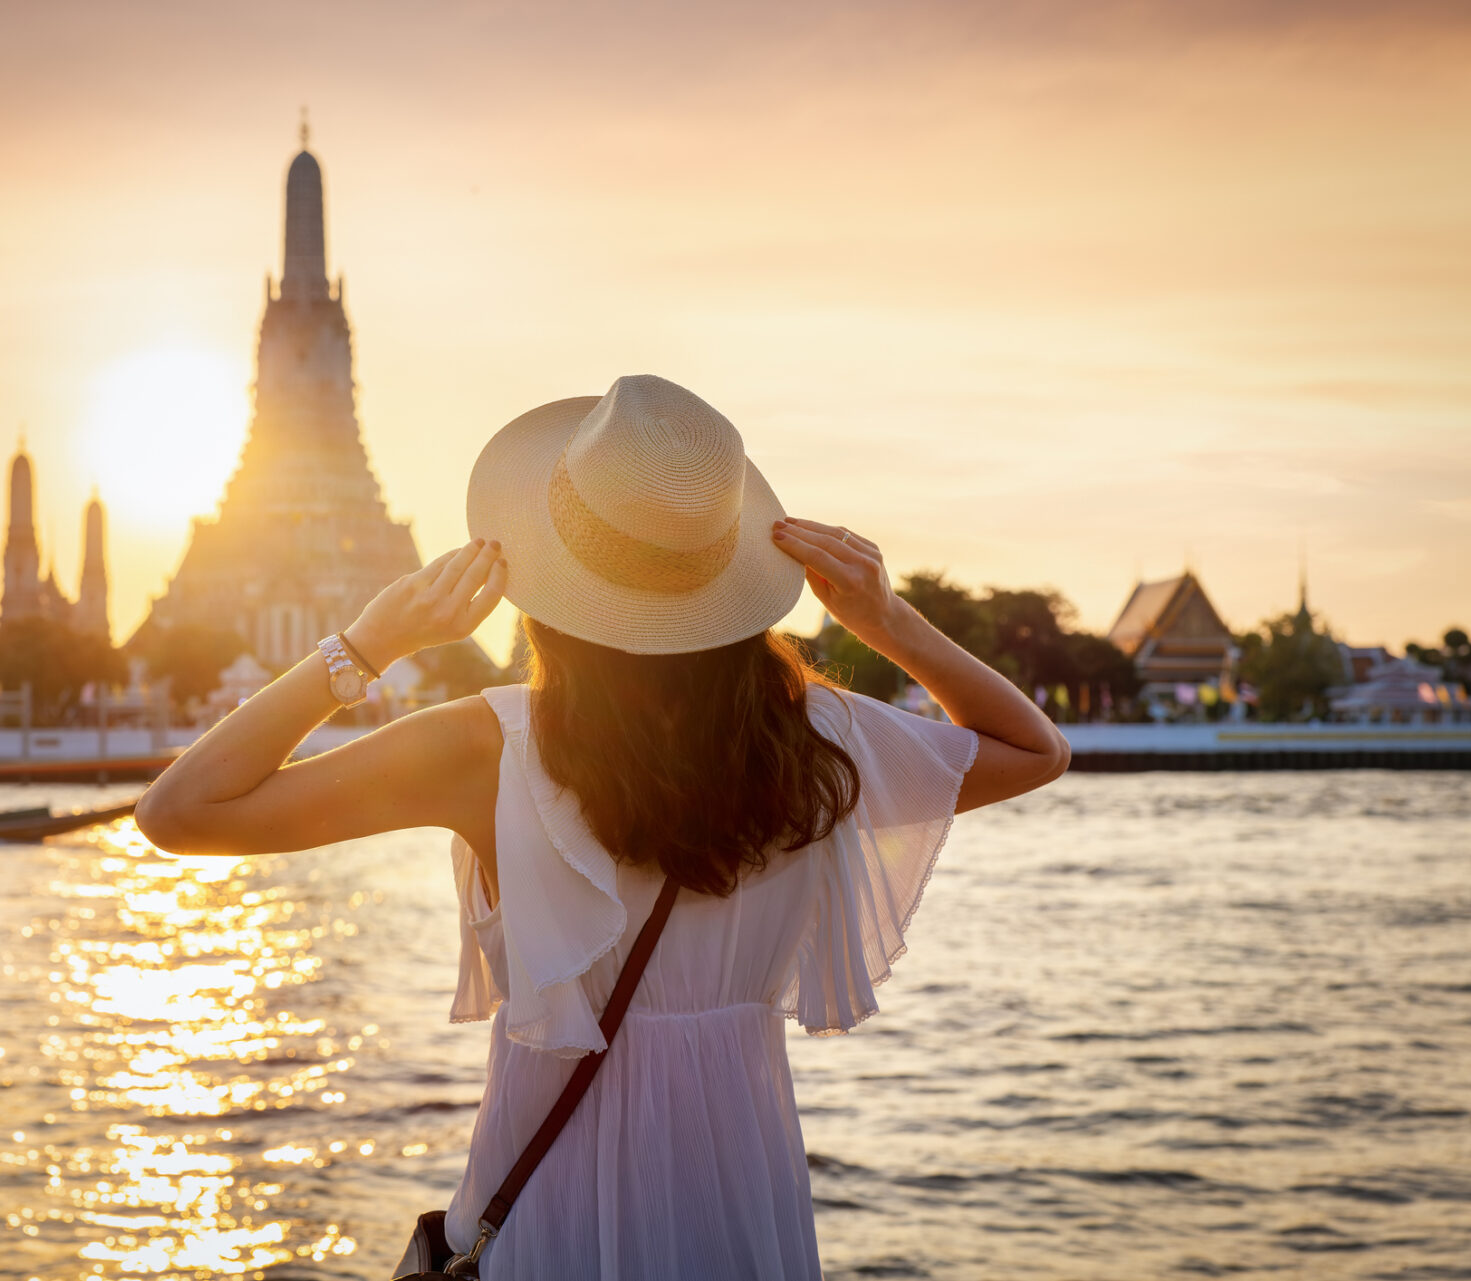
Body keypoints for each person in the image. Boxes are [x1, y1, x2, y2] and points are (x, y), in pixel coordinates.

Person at [136, 374, 1070, 1279]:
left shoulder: (486, 747)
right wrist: (887, 617)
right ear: (730, 570)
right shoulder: (817, 739)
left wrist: (368, 643)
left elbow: (178, 813)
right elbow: (1034, 750)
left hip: (552, 1210)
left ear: (554, 575)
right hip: (741, 1203)